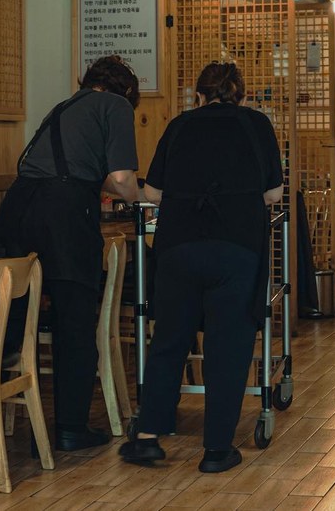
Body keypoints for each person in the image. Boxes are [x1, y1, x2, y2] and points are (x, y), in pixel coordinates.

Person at [118, 62, 283, 473]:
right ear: (241, 95)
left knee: (169, 340)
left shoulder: (179, 125)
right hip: (236, 250)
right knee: (227, 347)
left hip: (179, 249)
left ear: (198, 95)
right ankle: (216, 450)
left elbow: (153, 191)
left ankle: (148, 437)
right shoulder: (256, 124)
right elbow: (274, 192)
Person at [0, 55, 142, 450]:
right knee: (74, 316)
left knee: (10, 312)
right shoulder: (116, 105)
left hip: (18, 207)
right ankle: (71, 427)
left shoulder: (65, 107)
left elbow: (70, 166)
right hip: (64, 213)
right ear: (126, 90)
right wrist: (143, 197)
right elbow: (122, 179)